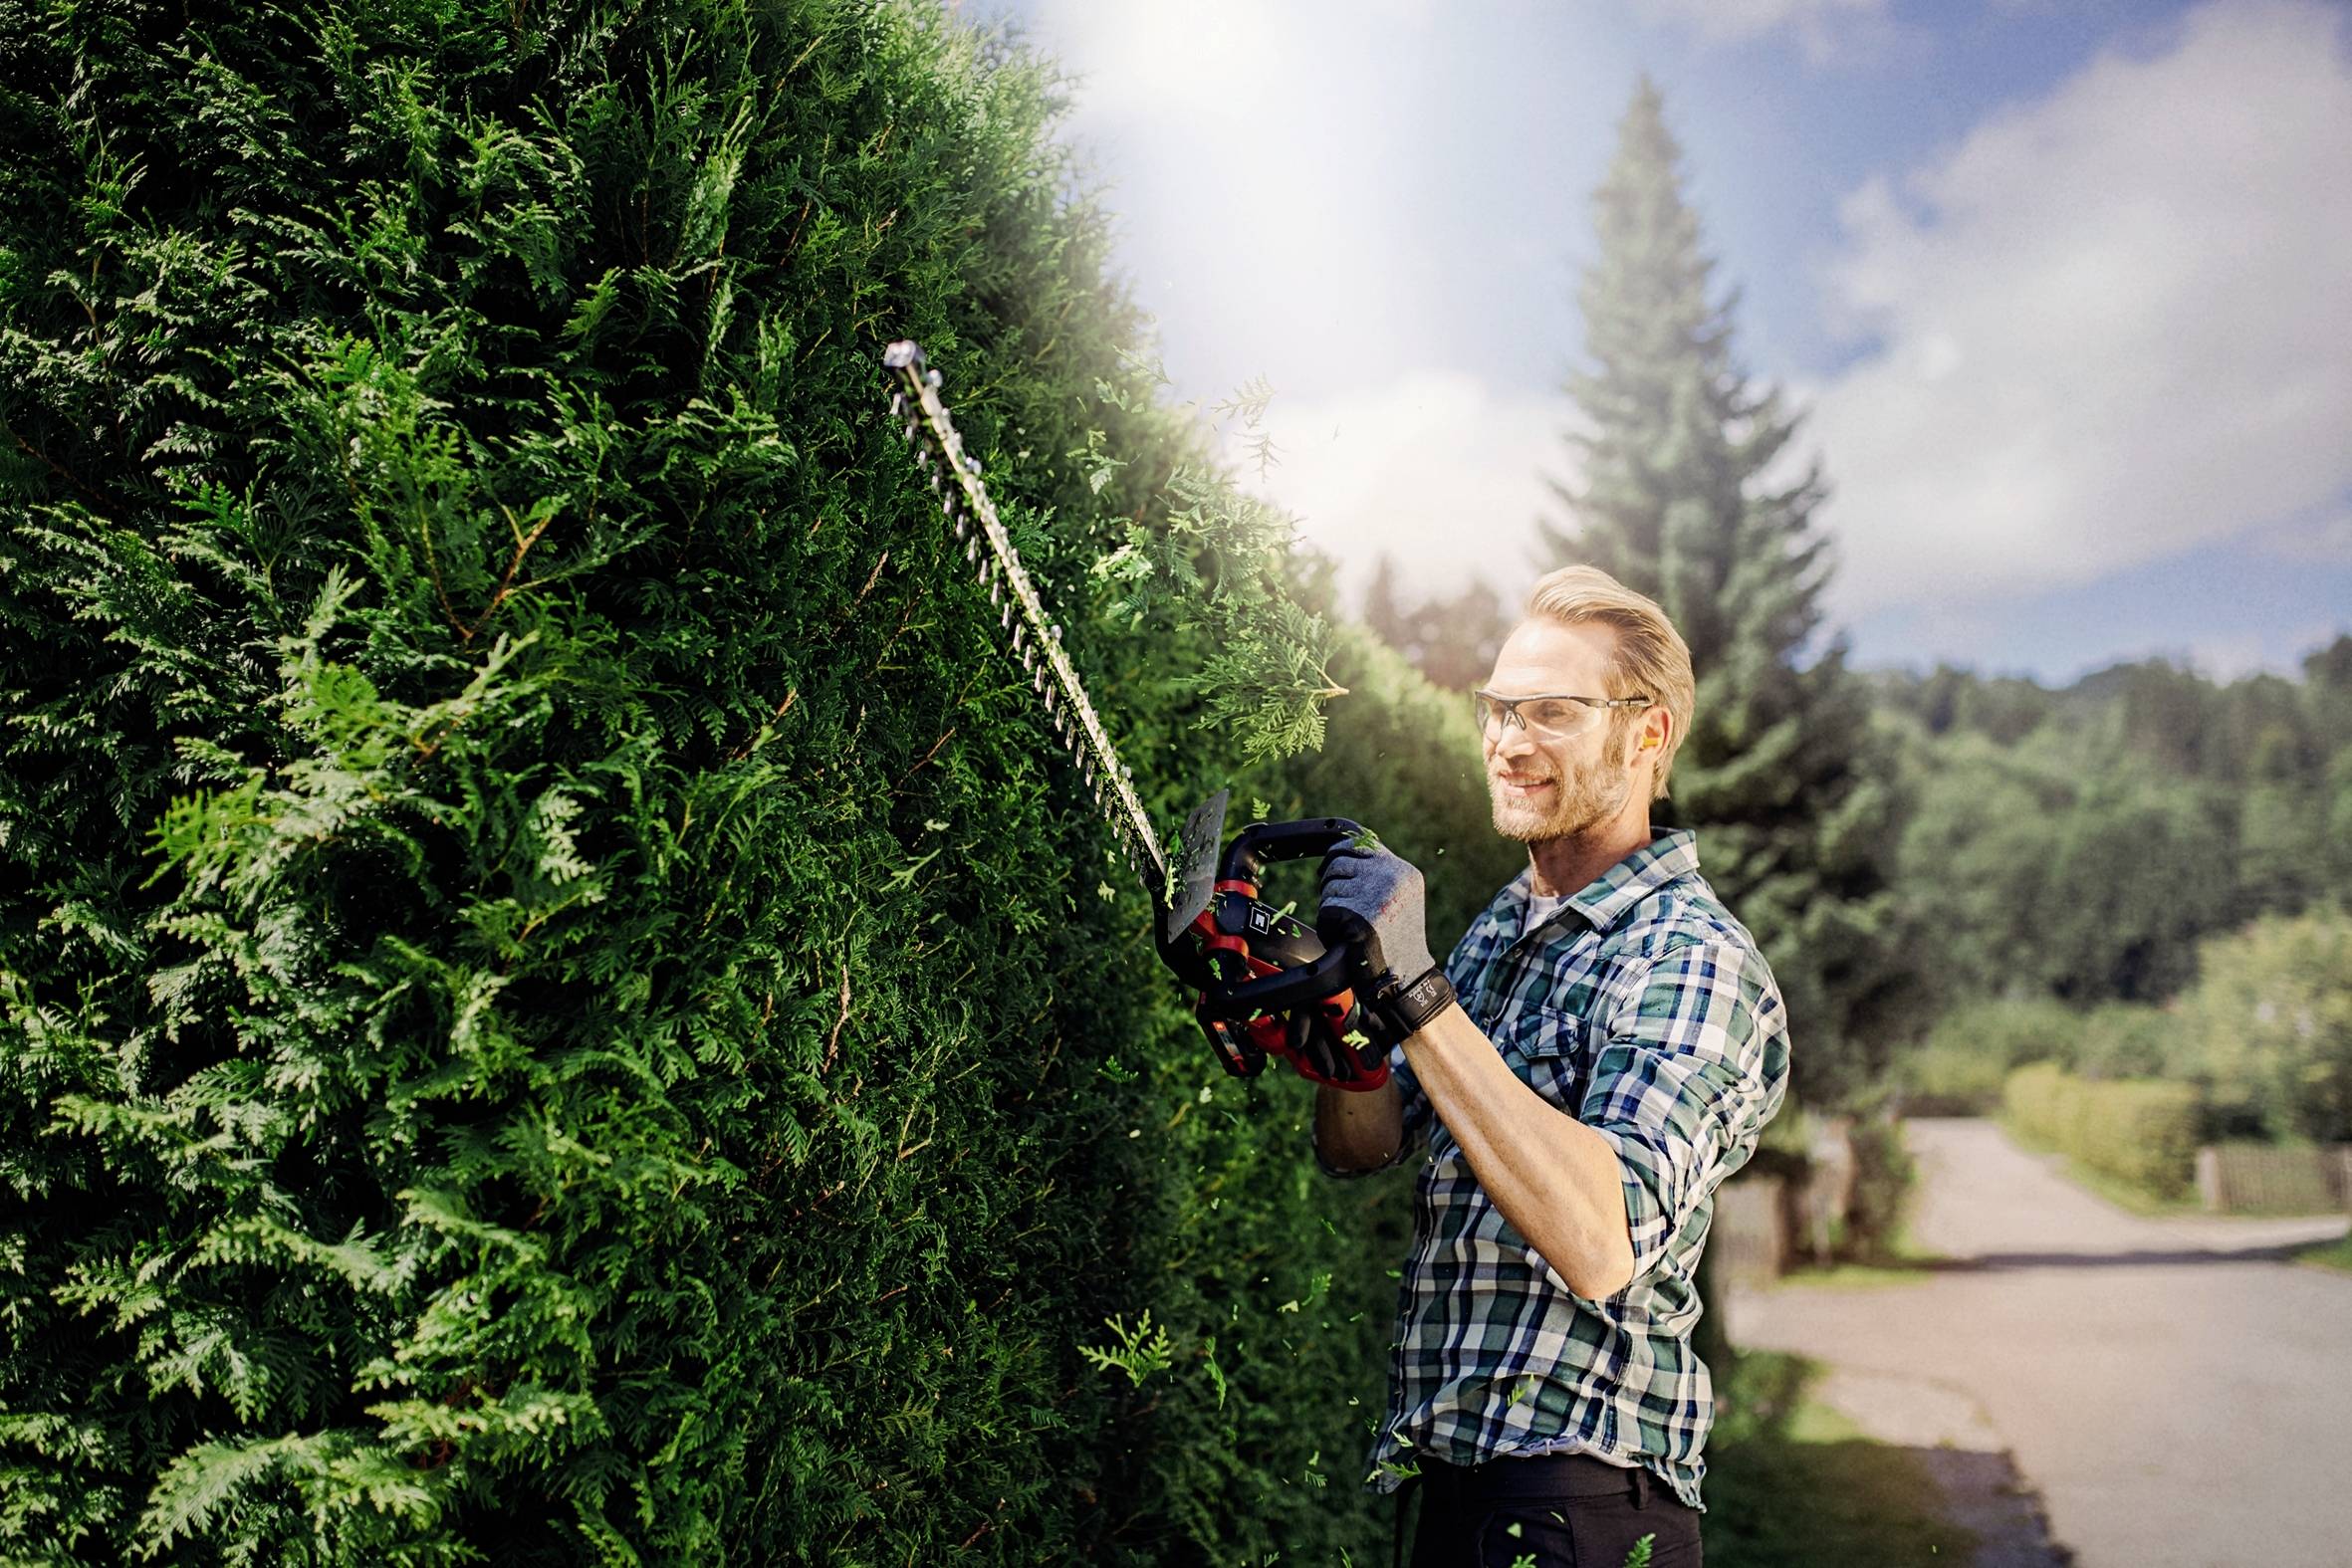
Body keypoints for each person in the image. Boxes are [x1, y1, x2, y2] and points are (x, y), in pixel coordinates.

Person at [1312, 563, 1789, 1568]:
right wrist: (1335, 1023)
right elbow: (1372, 1142)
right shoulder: (1503, 928)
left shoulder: (1690, 957)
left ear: (1646, 733)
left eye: (1551, 714)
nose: (1508, 742)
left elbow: (1601, 1239)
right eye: (1497, 710)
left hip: (1578, 1497)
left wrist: (1414, 992)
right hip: (1449, 1484)